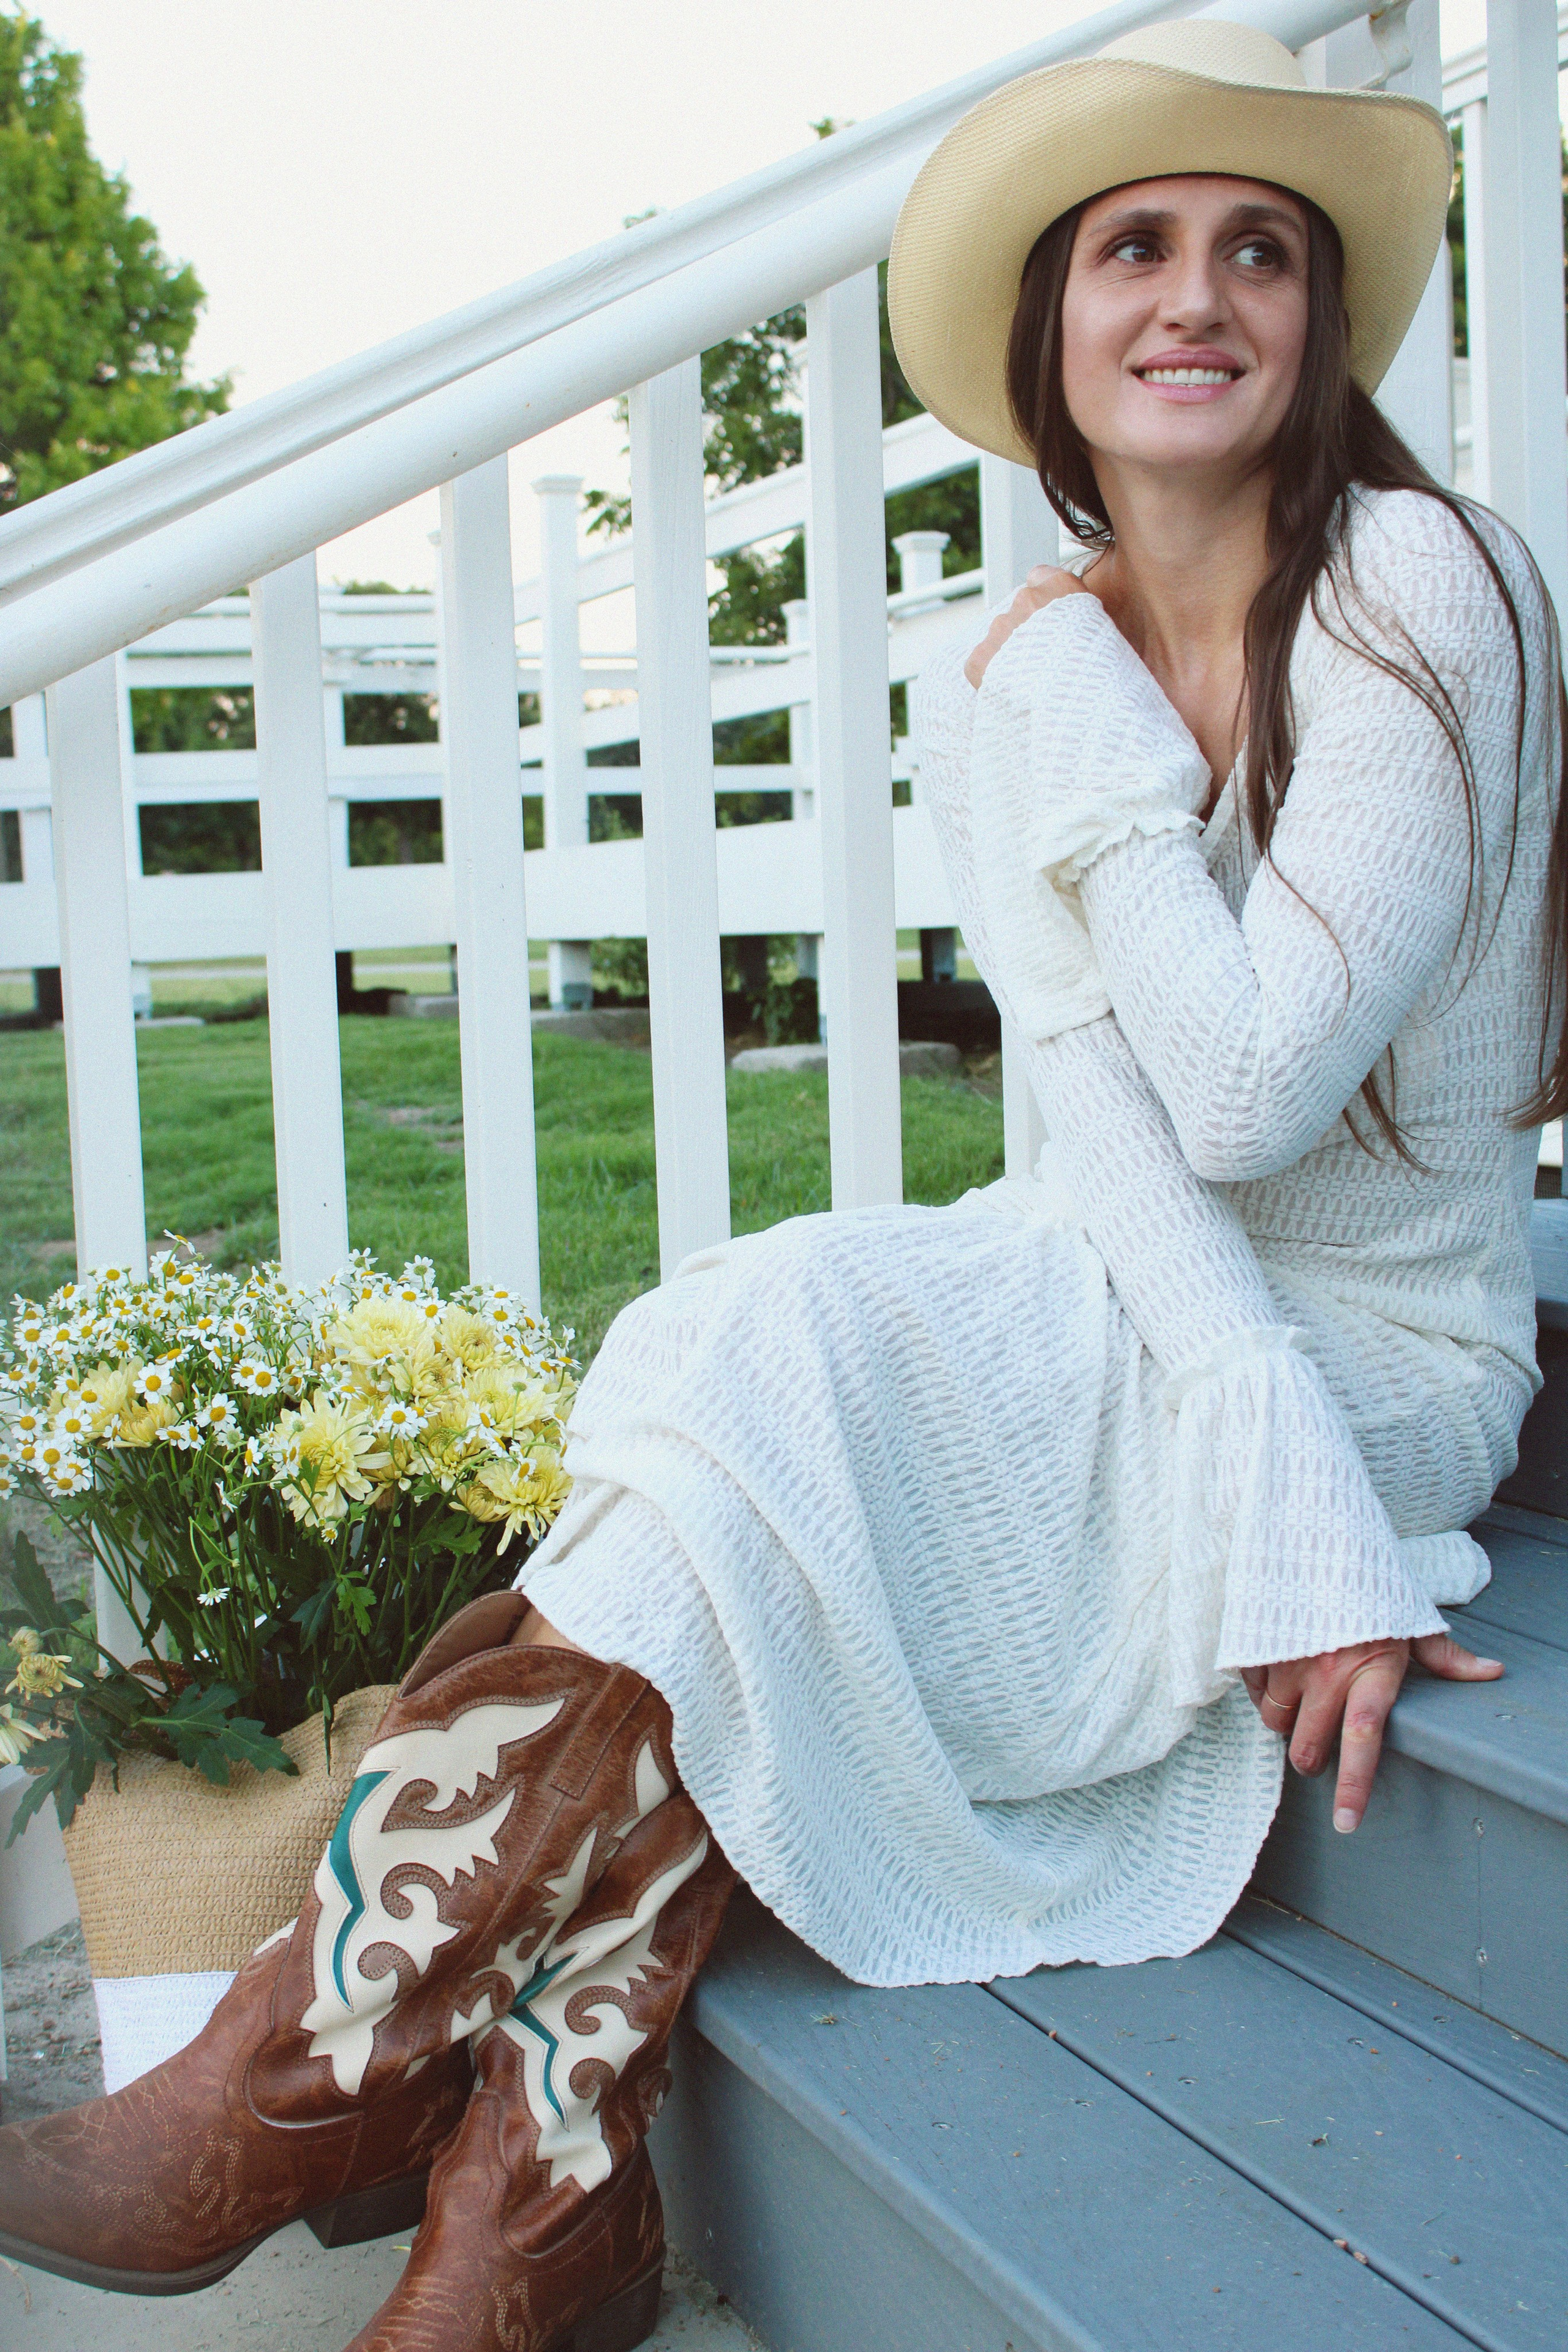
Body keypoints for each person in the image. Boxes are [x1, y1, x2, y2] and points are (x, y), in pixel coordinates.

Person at [1, 20, 1559, 2352]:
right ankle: (474, 2175)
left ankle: (367, 2124)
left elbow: (1244, 1094)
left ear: (1323, 318)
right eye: (1134, 248)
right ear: (1050, 328)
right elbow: (1105, 1125)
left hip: (1375, 1351)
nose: (1197, 298)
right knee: (744, 1345)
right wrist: (1070, 710)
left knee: (781, 1435)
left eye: (1261, 251)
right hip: (1120, 1277)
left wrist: (1284, 1470)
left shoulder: (1419, 583)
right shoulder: (1033, 665)